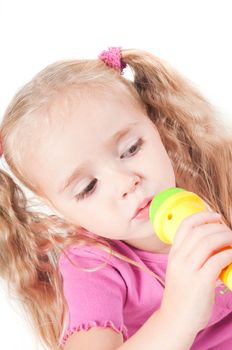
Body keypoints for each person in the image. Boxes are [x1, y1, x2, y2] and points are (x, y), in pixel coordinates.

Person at [0, 46, 232, 350]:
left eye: (132, 149)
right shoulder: (92, 265)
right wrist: (178, 315)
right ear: (58, 210)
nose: (126, 183)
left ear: (157, 127)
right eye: (88, 187)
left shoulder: (214, 171)